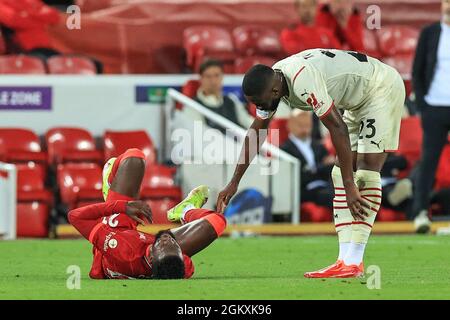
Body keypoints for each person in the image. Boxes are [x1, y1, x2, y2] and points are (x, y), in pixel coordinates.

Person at [216, 48, 405, 278]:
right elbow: (256, 133)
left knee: (364, 171)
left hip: (380, 87)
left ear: (275, 91)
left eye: (259, 101)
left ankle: (354, 260)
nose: (260, 106)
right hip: (357, 101)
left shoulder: (302, 80)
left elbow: (337, 127)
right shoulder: (274, 83)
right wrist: (234, 182)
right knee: (339, 173)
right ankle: (344, 261)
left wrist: (350, 185)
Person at [68, 148, 226, 279]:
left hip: (117, 233)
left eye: (165, 243)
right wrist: (169, 247)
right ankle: (185, 210)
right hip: (153, 253)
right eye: (175, 245)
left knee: (134, 158)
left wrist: (120, 207)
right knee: (218, 221)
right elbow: (179, 260)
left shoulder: (123, 250)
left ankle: (110, 186)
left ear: (151, 257)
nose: (168, 239)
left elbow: (75, 216)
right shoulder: (175, 262)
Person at [411, 0, 450, 233]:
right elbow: (417, 70)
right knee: (429, 161)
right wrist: (423, 105)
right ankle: (420, 213)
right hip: (434, 106)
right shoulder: (430, 33)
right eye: (446, 2)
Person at [281, 109, 334, 208]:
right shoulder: (285, 150)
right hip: (303, 190)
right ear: (290, 125)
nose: (305, 129)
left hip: (324, 185)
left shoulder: (318, 146)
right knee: (332, 196)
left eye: (307, 125)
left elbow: (330, 167)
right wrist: (320, 167)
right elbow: (298, 176)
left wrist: (313, 169)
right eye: (300, 125)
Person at [185, 59, 253, 132]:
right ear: (201, 79)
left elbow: (249, 123)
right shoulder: (192, 106)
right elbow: (198, 136)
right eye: (208, 76)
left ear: (222, 77)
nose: (213, 81)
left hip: (238, 141)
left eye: (216, 75)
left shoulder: (231, 100)